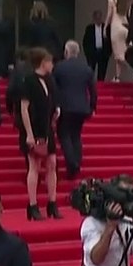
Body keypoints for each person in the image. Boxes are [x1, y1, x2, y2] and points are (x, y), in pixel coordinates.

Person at [17, 48, 61, 220]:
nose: (52, 65)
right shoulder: (28, 80)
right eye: (50, 61)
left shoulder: (49, 80)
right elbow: (24, 108)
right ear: (43, 62)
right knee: (34, 165)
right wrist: (29, 134)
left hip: (47, 127)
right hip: (33, 128)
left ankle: (52, 203)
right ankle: (33, 205)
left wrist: (56, 110)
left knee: (52, 163)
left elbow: (52, 100)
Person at [53, 41, 97, 180]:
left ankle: (72, 163)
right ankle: (76, 162)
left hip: (66, 106)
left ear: (66, 52)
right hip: (82, 107)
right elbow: (93, 90)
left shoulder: (59, 67)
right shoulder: (86, 68)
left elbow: (53, 88)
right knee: (76, 135)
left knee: (64, 134)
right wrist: (92, 106)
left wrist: (55, 105)